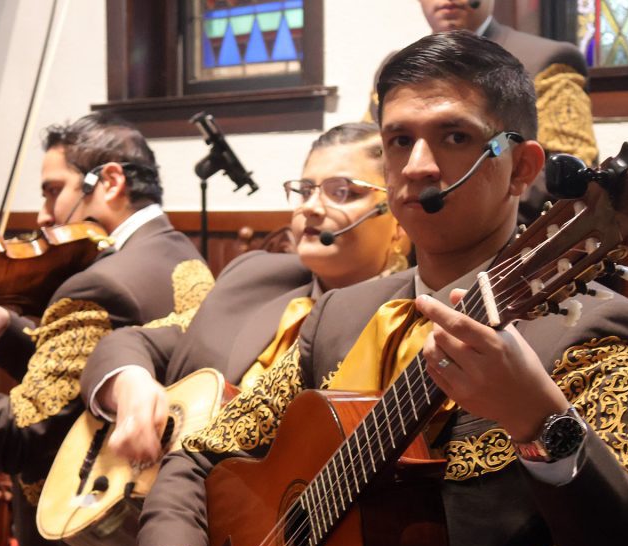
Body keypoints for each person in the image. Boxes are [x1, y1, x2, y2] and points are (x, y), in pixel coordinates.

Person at [141, 31, 628, 546]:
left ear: (521, 168)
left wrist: (540, 422)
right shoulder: (339, 317)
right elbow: (197, 455)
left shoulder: (597, 338)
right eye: (399, 140)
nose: (418, 165)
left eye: (453, 136)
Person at [0, 112, 211, 546]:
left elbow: (23, 434)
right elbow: (84, 387)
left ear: (111, 181)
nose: (44, 216)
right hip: (160, 526)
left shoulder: (97, 285)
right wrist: (7, 335)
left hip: (85, 542)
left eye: (53, 190)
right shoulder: (179, 252)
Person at [79, 122, 409, 464]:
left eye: (342, 191)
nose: (311, 207)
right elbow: (132, 342)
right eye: (305, 190)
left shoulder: (404, 321)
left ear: (399, 220)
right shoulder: (255, 276)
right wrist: (130, 384)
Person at [367, 0, 598, 225]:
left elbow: (566, 177)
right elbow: (367, 158)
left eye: (458, 137)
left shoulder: (545, 59)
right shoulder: (394, 68)